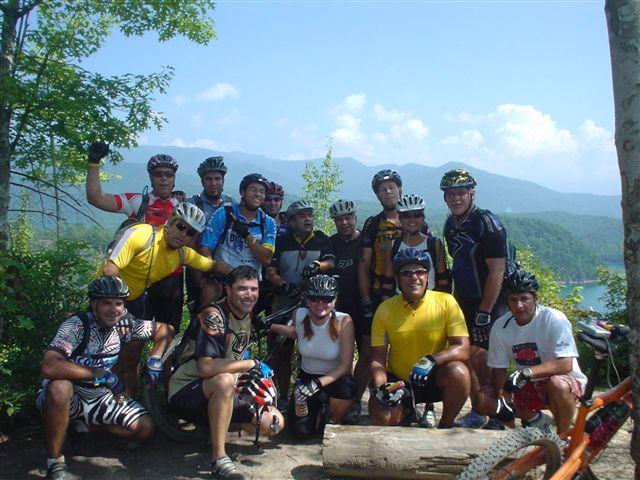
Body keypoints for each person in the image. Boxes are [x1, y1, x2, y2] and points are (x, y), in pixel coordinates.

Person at [168, 266, 284, 480]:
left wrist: (295, 328)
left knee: (273, 423)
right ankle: (219, 458)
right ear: (228, 289)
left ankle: (214, 423)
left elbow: (266, 325)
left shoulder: (247, 313)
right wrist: (248, 364)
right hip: (187, 389)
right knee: (222, 381)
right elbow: (206, 368)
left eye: (253, 289)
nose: (249, 294)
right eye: (242, 289)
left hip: (225, 390)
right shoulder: (214, 316)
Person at [102, 202, 231, 395]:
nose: (183, 234)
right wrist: (118, 310)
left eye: (190, 233)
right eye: (181, 226)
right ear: (169, 221)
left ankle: (124, 402)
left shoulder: (182, 254)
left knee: (130, 358)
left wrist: (241, 277)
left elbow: (212, 265)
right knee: (103, 356)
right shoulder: (142, 235)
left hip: (135, 302)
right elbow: (110, 270)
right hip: (106, 298)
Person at [86, 144, 188, 385]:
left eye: (168, 174)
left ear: (174, 178)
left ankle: (161, 393)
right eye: (158, 174)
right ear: (151, 177)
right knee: (131, 339)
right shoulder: (138, 202)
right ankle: (122, 386)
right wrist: (93, 163)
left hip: (171, 282)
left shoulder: (184, 206)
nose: (163, 179)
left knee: (167, 339)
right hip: (138, 283)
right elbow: (96, 199)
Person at [38, 276, 157, 480]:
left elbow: (165, 330)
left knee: (145, 429)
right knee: (59, 387)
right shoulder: (76, 326)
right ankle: (55, 462)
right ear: (94, 304)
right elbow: (49, 366)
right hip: (71, 395)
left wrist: (156, 357)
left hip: (100, 397)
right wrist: (97, 374)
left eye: (118, 304)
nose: (113, 309)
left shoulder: (126, 325)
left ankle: (86, 426)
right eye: (106, 303)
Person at [475, 268, 587, 433]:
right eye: (513, 300)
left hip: (564, 382)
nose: (519, 305)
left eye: (524, 299)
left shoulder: (554, 319)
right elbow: (499, 369)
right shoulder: (500, 326)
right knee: (483, 400)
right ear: (507, 302)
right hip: (527, 384)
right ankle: (540, 422)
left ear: (535, 299)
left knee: (557, 385)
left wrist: (526, 372)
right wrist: (503, 398)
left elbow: (565, 364)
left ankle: (563, 439)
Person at [369, 248, 470, 429]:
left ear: (427, 276)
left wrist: (431, 360)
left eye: (420, 272)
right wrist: (380, 388)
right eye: (406, 273)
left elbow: (463, 348)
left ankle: (446, 425)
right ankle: (407, 411)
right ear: (398, 279)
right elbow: (377, 358)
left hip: (433, 377)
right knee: (382, 419)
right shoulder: (385, 309)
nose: (414, 277)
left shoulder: (446, 302)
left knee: (459, 372)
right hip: (400, 381)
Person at [440, 168, 509, 429]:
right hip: (465, 298)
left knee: (485, 358)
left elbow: (497, 270)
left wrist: (485, 311)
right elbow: (459, 265)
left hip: (491, 300)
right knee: (466, 356)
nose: (455, 199)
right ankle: (478, 410)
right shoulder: (451, 224)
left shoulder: (486, 223)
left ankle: (500, 413)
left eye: (460, 193)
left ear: (472, 194)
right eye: (450, 194)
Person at [262, 274, 355, 436]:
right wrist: (271, 326)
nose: (320, 303)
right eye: (314, 298)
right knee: (300, 432)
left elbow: (346, 366)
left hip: (334, 378)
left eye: (326, 299)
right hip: (307, 376)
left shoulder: (344, 321)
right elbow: (297, 333)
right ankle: (316, 411)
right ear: (306, 299)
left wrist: (317, 384)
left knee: (347, 387)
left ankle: (332, 420)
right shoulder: (299, 315)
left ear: (335, 300)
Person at [265, 200, 336, 406]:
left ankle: (318, 393)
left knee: (318, 347)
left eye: (310, 215)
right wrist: (285, 285)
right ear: (291, 220)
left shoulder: (321, 239)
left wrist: (318, 265)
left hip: (314, 302)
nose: (308, 219)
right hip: (284, 300)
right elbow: (270, 271)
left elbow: (331, 262)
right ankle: (284, 395)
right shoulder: (282, 241)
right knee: (281, 350)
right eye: (302, 216)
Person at [199, 173, 276, 305]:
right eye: (253, 189)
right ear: (242, 192)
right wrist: (210, 270)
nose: (258, 194)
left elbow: (266, 258)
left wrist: (246, 234)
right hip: (222, 279)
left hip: (249, 285)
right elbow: (205, 248)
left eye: (262, 192)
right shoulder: (225, 213)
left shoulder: (267, 222)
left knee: (243, 324)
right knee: (208, 315)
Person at [327, 199, 367, 420]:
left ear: (355, 218)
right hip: (339, 308)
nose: (344, 222)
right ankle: (339, 396)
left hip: (363, 305)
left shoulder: (365, 241)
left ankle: (356, 399)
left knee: (366, 354)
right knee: (340, 355)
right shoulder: (332, 243)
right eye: (339, 219)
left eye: (348, 218)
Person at [383, 194, 451, 294]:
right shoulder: (393, 245)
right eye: (406, 216)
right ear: (400, 219)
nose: (412, 220)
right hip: (400, 303)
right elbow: (388, 281)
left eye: (417, 215)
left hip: (430, 303)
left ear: (423, 218)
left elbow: (443, 280)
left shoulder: (434, 244)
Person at [188, 156, 234, 222]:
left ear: (223, 181)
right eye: (209, 179)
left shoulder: (230, 202)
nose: (213, 183)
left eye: (217, 178)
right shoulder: (192, 204)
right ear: (202, 182)